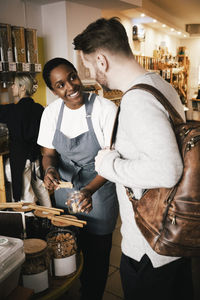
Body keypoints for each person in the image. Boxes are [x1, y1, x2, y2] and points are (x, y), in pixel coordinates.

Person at [73, 17, 194, 300]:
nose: (91, 73)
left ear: (101, 61)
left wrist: (108, 164)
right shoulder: (157, 84)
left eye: (89, 66)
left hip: (150, 251)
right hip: (169, 238)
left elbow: (167, 169)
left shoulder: (137, 100)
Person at [37, 57, 119, 300]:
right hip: (66, 194)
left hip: (100, 192)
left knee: (97, 255)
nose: (70, 87)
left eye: (72, 77)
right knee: (69, 249)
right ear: (53, 90)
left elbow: (113, 159)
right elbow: (48, 154)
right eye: (60, 84)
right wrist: (49, 170)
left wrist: (89, 190)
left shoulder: (106, 109)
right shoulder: (51, 113)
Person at [0, 73, 51, 206]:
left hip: (21, 159)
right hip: (36, 157)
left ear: (22, 87)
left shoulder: (13, 110)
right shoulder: (40, 109)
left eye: (14, 84)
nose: (12, 87)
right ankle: (50, 220)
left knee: (25, 197)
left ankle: (29, 224)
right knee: (41, 190)